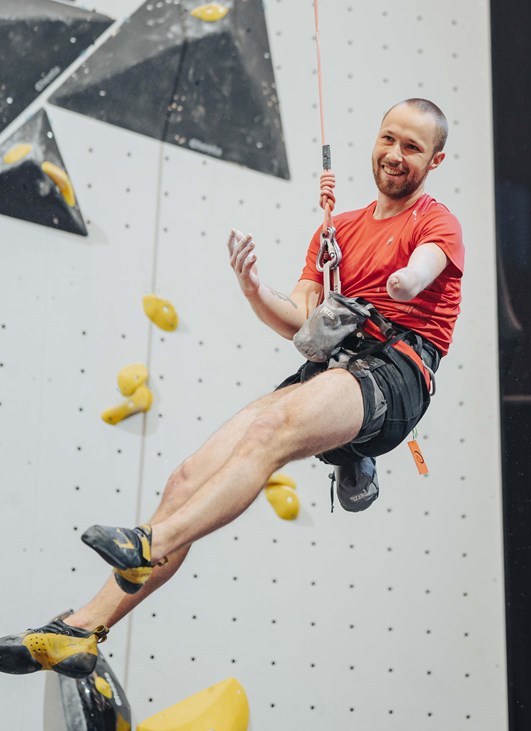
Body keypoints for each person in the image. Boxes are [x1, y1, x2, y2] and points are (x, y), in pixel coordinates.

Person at [0, 98, 464, 679]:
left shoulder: (437, 222)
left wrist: (406, 281)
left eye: (412, 148)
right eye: (388, 139)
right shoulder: (337, 229)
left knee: (270, 432)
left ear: (435, 159)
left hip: (395, 374)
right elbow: (301, 322)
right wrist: (251, 287)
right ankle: (81, 630)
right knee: (189, 478)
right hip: (334, 368)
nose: (395, 155)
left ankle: (153, 541)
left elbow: (426, 265)